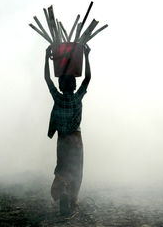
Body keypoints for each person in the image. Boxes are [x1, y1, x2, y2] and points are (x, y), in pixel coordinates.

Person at [44, 44, 91, 215]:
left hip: (63, 139)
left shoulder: (58, 97)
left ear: (61, 85)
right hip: (76, 140)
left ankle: (62, 191)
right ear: (73, 84)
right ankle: (72, 200)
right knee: (76, 169)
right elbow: (88, 78)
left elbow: (47, 79)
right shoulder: (77, 98)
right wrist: (86, 56)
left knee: (63, 168)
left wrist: (46, 56)